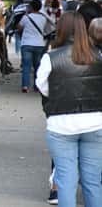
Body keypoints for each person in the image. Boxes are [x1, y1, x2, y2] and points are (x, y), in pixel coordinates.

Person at [36, 12, 102, 207]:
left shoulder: (50, 57)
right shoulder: (99, 55)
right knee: (93, 181)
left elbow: (43, 87)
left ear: (61, 30)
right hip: (96, 124)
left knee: (66, 181)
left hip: (61, 125)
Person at [17, 0, 49, 93]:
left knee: (26, 66)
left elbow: (19, 27)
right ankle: (37, 86)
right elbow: (45, 29)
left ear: (31, 7)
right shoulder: (44, 18)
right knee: (38, 66)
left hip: (27, 44)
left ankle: (25, 86)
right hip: (39, 44)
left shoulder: (26, 17)